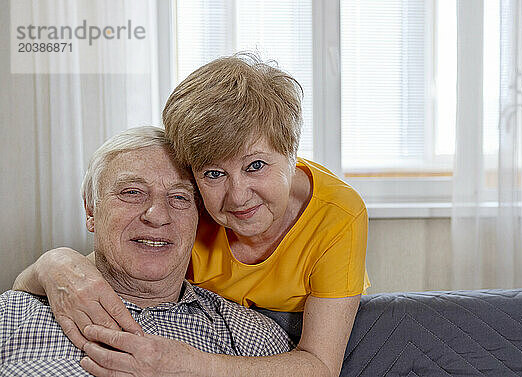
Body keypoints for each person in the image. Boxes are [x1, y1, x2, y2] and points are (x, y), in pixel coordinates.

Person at [14, 53, 369, 377]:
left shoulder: (337, 217)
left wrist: (184, 364)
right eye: (213, 173)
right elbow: (111, 260)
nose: (237, 196)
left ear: (293, 154)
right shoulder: (189, 207)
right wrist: (53, 262)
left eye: (256, 166)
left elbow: (320, 364)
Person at [3, 127, 292, 377]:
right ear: (91, 210)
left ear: (199, 218)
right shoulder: (12, 316)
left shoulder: (254, 341)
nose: (156, 215)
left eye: (179, 197)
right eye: (132, 192)